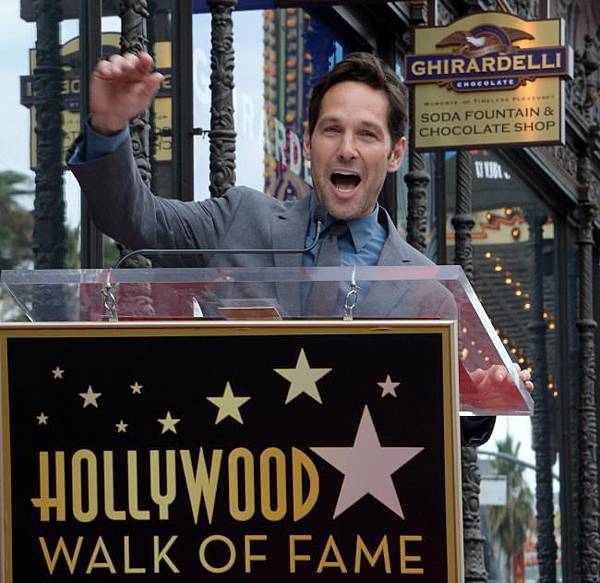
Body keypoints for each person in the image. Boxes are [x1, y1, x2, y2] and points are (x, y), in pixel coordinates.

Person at [68, 51, 533, 445]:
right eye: (332, 130)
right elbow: (133, 218)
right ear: (309, 141)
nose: (347, 149)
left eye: (367, 134)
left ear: (394, 155)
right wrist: (108, 127)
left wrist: (477, 406)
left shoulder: (426, 291)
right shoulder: (239, 219)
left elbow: (431, 430)